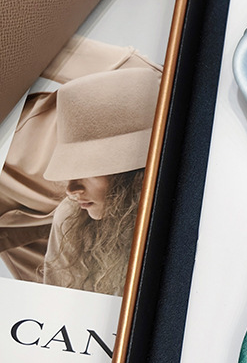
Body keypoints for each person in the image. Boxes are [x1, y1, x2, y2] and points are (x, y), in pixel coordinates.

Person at [0, 38, 161, 285]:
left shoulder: (152, 89)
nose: (70, 188)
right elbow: (29, 43)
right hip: (48, 232)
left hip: (97, 222)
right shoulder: (153, 87)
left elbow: (34, 43)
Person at [41, 65, 161, 295]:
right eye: (70, 169)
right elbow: (57, 304)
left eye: (88, 168)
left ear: (135, 171)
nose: (71, 189)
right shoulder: (70, 218)